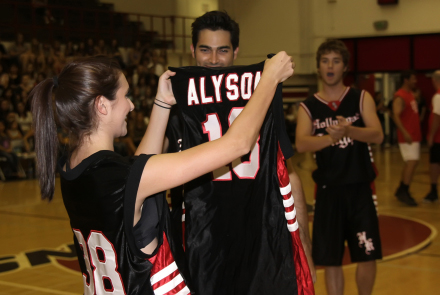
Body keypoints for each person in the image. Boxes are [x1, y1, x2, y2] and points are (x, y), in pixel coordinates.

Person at [30, 54, 293, 294]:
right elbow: (238, 144)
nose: (131, 106)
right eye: (125, 96)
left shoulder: (72, 168)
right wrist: (268, 80)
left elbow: (141, 167)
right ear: (102, 106)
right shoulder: (123, 176)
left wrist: (163, 102)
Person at [165, 10, 315, 294]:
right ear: (191, 50)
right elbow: (145, 169)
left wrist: (302, 242)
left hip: (257, 233)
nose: (213, 60)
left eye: (222, 50)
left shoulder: (263, 93)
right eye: (205, 50)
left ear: (236, 51)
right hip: (200, 238)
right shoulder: (174, 103)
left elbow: (288, 173)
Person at [295, 39, 383, 295]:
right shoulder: (308, 106)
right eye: (325, 61)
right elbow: (301, 143)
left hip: (360, 189)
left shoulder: (360, 98)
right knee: (330, 259)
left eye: (335, 61)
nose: (330, 66)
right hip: (328, 191)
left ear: (345, 66)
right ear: (318, 67)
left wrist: (349, 130)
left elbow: (377, 135)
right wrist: (331, 138)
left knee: (367, 253)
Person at [392, 71, 420, 206]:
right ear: (406, 80)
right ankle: (404, 191)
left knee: (411, 162)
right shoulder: (400, 96)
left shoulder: (410, 94)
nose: (415, 81)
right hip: (408, 136)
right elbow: (395, 115)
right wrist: (405, 132)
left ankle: (401, 189)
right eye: (413, 79)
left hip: (414, 134)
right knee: (412, 162)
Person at [424, 70, 440, 202]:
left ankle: (434, 192)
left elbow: (436, 118)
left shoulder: (438, 96)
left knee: (434, 163)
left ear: (434, 81)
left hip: (438, 138)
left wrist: (431, 136)